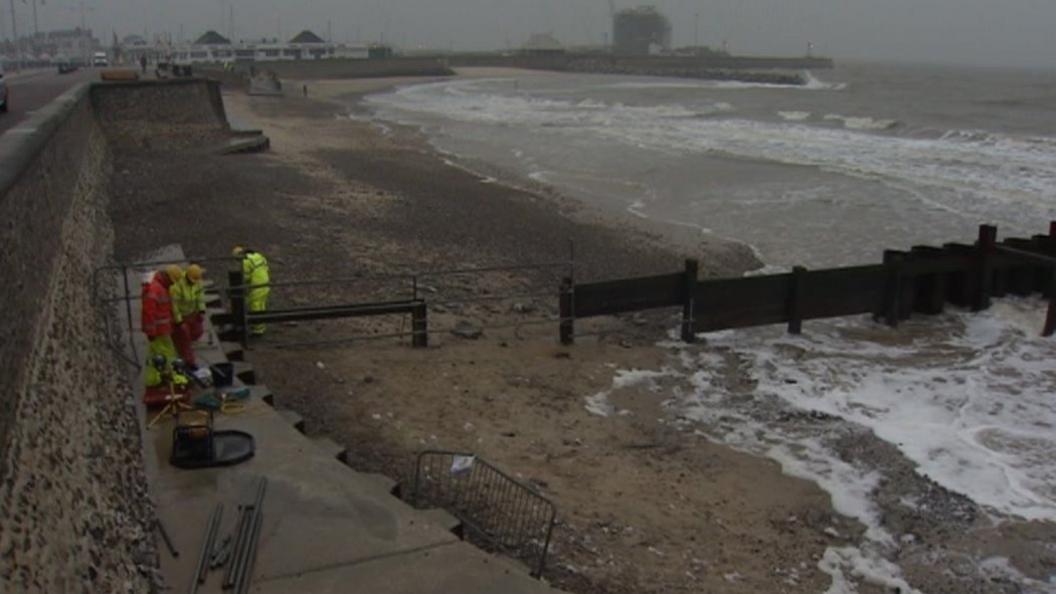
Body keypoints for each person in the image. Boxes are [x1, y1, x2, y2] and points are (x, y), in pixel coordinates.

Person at [142, 265, 184, 388]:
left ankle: (152, 381)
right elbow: (148, 312)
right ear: (166, 277)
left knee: (155, 357)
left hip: (162, 330)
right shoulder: (155, 289)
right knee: (169, 355)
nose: (172, 284)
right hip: (158, 331)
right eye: (172, 281)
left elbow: (166, 309)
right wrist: (151, 332)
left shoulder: (161, 287)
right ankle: (174, 379)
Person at [171, 263, 207, 368]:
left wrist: (201, 310)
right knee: (184, 336)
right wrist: (179, 321)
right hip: (181, 316)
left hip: (192, 313)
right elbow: (174, 304)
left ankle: (184, 346)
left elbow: (200, 295)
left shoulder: (197, 282)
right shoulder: (177, 285)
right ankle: (188, 360)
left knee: (198, 331)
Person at [232, 246, 271, 336]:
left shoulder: (245, 262)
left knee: (255, 304)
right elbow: (265, 265)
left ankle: (257, 329)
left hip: (256, 284)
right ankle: (262, 325)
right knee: (262, 303)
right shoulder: (257, 255)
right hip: (265, 280)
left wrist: (242, 284)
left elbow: (245, 277)